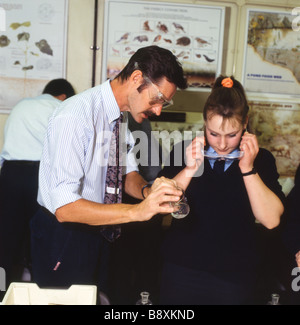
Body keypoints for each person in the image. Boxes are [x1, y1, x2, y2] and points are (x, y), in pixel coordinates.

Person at [29, 46, 188, 294]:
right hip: (65, 235)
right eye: (158, 99)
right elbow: (64, 207)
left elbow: (126, 176)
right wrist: (138, 211)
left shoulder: (119, 115)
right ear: (137, 78)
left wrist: (149, 192)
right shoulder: (75, 115)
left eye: (164, 104)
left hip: (101, 231)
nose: (158, 110)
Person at [158, 75, 285, 305]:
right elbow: (159, 207)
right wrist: (189, 169)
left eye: (232, 135)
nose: (223, 144)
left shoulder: (261, 159)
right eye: (214, 133)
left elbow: (271, 220)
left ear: (245, 123)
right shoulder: (184, 151)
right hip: (181, 270)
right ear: (205, 123)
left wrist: (248, 169)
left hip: (235, 276)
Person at [0, 79, 75, 295]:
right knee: (42, 235)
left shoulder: (20, 105)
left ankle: (2, 289)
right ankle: (39, 291)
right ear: (63, 96)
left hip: (10, 175)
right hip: (39, 175)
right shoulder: (61, 108)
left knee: (6, 238)